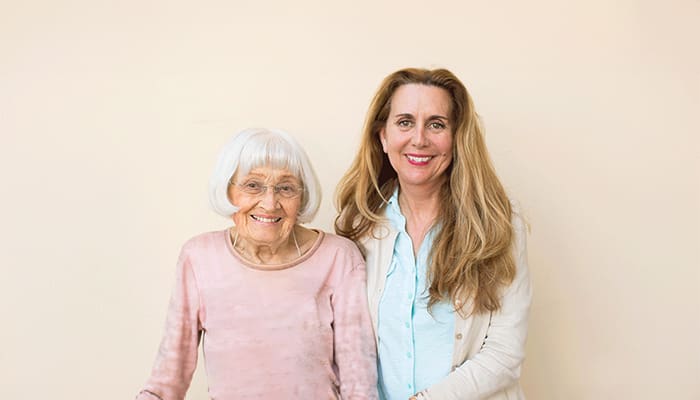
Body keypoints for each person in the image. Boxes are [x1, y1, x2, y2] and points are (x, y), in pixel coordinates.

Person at [137, 128, 378, 400]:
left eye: (286, 188)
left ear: (302, 197)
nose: (270, 202)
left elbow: (360, 384)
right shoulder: (200, 257)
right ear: (228, 191)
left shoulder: (338, 257)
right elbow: (167, 380)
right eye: (253, 185)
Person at [335, 68, 532, 400]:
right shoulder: (359, 224)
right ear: (383, 136)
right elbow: (349, 345)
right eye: (405, 122)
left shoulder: (497, 222)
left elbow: (505, 354)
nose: (419, 139)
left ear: (457, 138)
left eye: (437, 124)